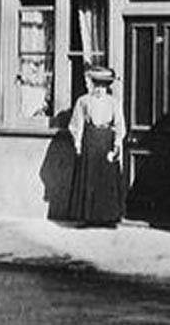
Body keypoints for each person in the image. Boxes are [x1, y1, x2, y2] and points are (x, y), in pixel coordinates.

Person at [67, 66, 125, 227]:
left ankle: (108, 218)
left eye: (103, 85)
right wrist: (78, 143)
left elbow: (119, 125)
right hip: (90, 140)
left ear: (108, 87)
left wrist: (116, 145)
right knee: (89, 178)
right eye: (97, 85)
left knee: (107, 180)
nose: (100, 89)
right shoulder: (83, 101)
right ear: (92, 84)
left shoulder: (114, 102)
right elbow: (76, 123)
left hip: (106, 139)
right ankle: (87, 217)